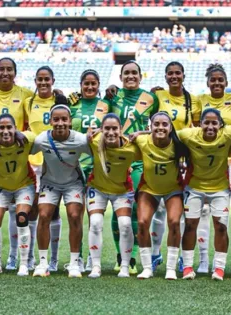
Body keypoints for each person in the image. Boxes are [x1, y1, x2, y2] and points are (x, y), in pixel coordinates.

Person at [107, 60, 160, 274]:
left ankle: (134, 256)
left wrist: (143, 135)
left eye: (134, 73)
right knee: (117, 210)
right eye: (126, 73)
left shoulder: (151, 99)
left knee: (137, 207)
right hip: (118, 158)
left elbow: (159, 125)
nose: (130, 76)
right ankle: (122, 255)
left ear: (140, 76)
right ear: (120, 77)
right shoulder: (112, 97)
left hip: (140, 159)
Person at [177, 108, 231, 280]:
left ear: (221, 124)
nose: (210, 126)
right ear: (200, 124)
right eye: (207, 122)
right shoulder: (188, 134)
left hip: (220, 189)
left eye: (214, 123)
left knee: (221, 226)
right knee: (190, 226)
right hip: (194, 187)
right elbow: (166, 132)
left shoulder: (229, 132)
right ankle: (188, 267)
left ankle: (219, 268)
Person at [0, 58, 34, 270]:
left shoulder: (27, 94)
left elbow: (36, 120)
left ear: (15, 72)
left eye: (9, 69)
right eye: (1, 69)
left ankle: (20, 258)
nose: (5, 72)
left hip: (20, 156)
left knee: (20, 215)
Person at [31, 100, 90, 278]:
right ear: (50, 121)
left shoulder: (80, 139)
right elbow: (26, 151)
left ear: (70, 121)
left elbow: (99, 150)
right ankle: (42, 263)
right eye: (56, 120)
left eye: (64, 119)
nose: (60, 123)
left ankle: (73, 263)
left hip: (73, 183)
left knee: (74, 215)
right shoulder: (42, 139)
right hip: (50, 182)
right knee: (43, 215)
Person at [150, 61, 199, 272]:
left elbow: (195, 129)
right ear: (165, 76)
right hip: (158, 154)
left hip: (181, 158)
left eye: (177, 73)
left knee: (176, 212)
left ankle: (179, 256)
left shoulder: (193, 101)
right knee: (158, 209)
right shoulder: (157, 96)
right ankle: (154, 254)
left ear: (183, 75)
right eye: (170, 73)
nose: (174, 76)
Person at [133, 112, 190, 280]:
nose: (160, 127)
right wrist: (140, 133)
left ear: (171, 127)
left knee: (174, 222)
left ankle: (171, 268)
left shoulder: (179, 142)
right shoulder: (142, 140)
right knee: (142, 222)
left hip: (173, 189)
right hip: (149, 189)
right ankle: (147, 268)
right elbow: (118, 137)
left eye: (164, 124)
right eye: (156, 124)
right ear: (150, 127)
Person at [0, 113, 36, 277]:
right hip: (1, 186)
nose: (5, 131)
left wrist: (22, 134)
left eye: (9, 127)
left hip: (24, 184)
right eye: (2, 128)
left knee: (21, 217)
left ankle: (24, 264)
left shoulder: (26, 140)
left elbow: (36, 135)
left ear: (16, 128)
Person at [86, 113, 138, 278]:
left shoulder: (131, 147)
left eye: (114, 128)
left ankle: (124, 266)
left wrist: (141, 133)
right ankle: (95, 266)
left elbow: (152, 141)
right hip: (98, 188)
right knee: (95, 223)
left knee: (125, 224)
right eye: (106, 128)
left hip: (121, 191)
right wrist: (89, 133)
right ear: (101, 129)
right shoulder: (94, 141)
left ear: (121, 129)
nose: (110, 132)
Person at [24, 66, 65, 272]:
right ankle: (30, 258)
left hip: (54, 162)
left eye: (46, 79)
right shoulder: (27, 102)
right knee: (33, 210)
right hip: (33, 161)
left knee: (53, 211)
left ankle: (55, 260)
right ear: (35, 81)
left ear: (53, 80)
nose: (43, 83)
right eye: (39, 79)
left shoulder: (60, 101)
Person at [69, 69, 110, 271]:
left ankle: (91, 259)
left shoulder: (106, 105)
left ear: (99, 84)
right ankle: (78, 257)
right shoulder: (72, 103)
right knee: (76, 213)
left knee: (92, 214)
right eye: (86, 83)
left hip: (97, 165)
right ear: (81, 84)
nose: (90, 87)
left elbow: (114, 126)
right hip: (75, 165)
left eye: (94, 83)